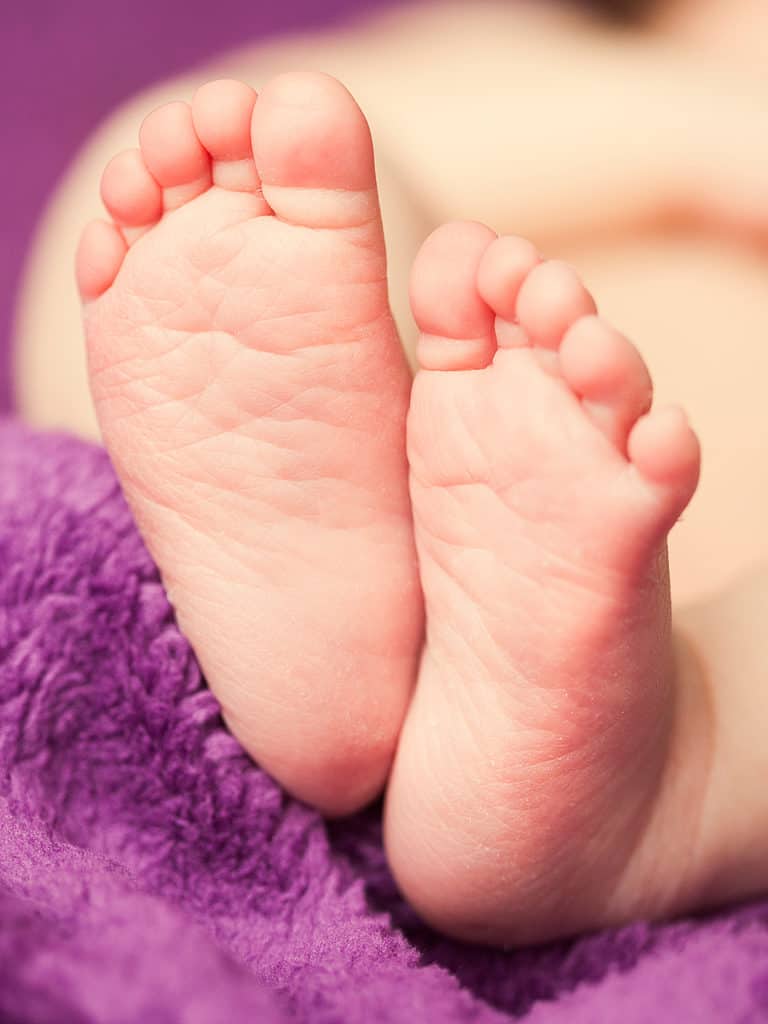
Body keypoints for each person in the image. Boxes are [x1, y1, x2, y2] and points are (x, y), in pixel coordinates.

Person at [12, 0, 768, 946]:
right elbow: (322, 124)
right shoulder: (533, 45)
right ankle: (319, 607)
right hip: (430, 422)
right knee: (226, 161)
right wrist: (699, 129)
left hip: (659, 625)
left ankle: (671, 766)